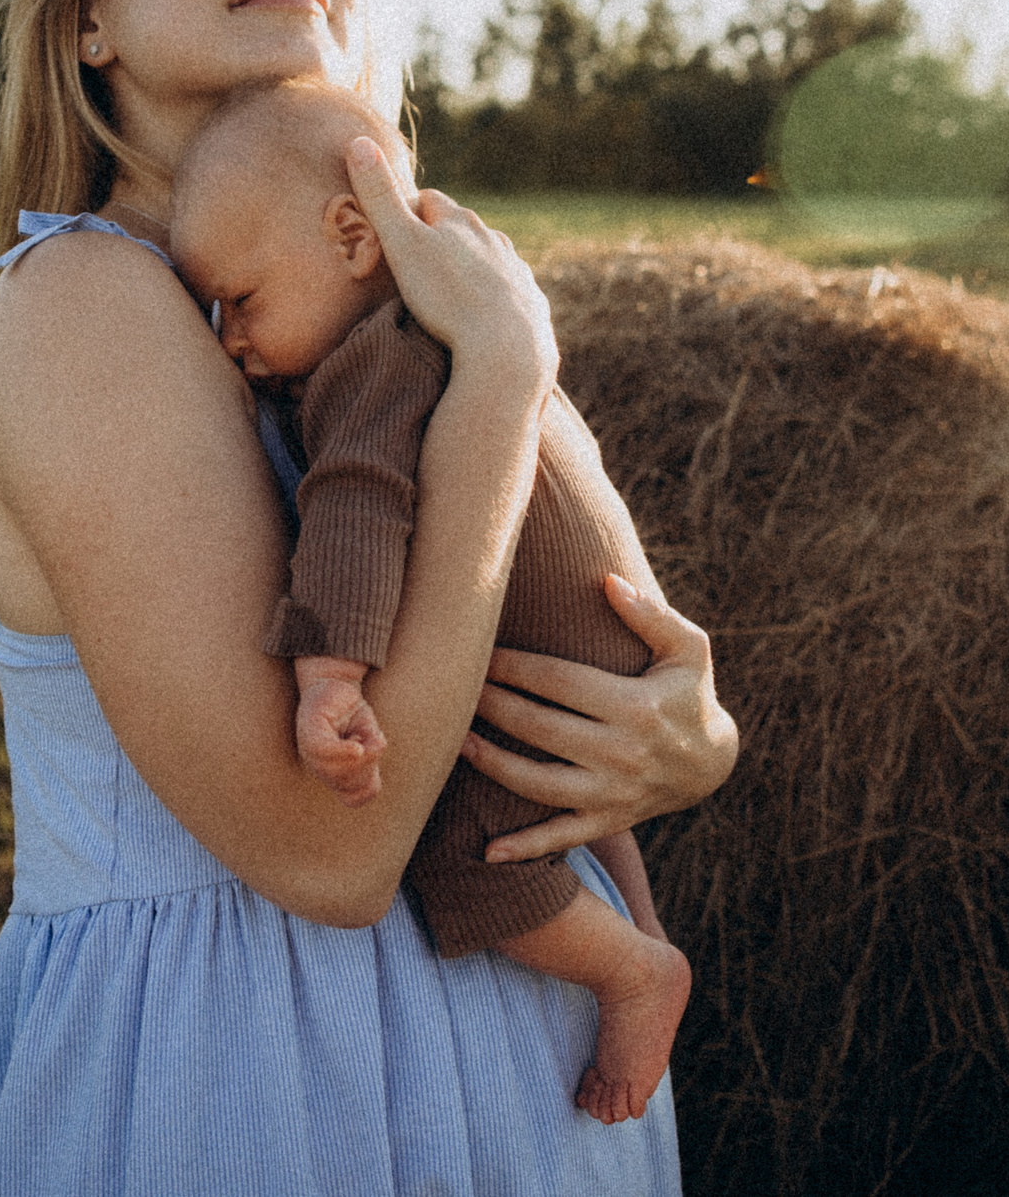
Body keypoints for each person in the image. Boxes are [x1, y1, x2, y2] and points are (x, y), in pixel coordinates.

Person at [0, 0, 740, 1196]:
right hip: (248, 1070)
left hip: (527, 1066)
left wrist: (691, 745)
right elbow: (333, 853)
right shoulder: (86, 307)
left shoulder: (386, 289)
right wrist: (503, 372)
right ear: (87, 20)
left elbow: (554, 606)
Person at [165, 76, 693, 1126]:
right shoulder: (453, 318)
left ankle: (631, 970)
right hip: (601, 643)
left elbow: (357, 509)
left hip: (542, 644)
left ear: (353, 236)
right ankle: (646, 932)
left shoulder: (372, 361)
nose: (227, 338)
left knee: (472, 852)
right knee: (580, 810)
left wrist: (329, 675)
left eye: (243, 300)